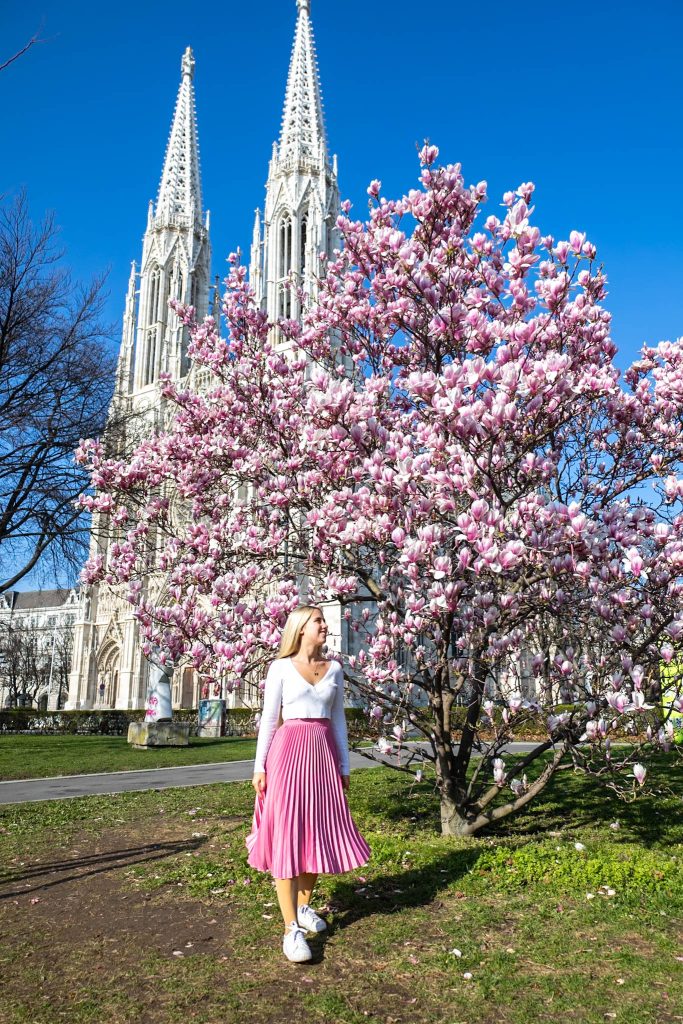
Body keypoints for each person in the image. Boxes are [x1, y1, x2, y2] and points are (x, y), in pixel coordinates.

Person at [246, 605, 371, 963]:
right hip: (286, 756)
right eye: (319, 622)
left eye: (324, 622)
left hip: (323, 757)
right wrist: (259, 767)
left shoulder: (335, 670)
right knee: (286, 835)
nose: (325, 627)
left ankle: (303, 907)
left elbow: (338, 723)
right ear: (301, 629)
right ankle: (291, 930)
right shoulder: (280, 668)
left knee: (317, 834)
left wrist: (344, 766)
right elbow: (270, 719)